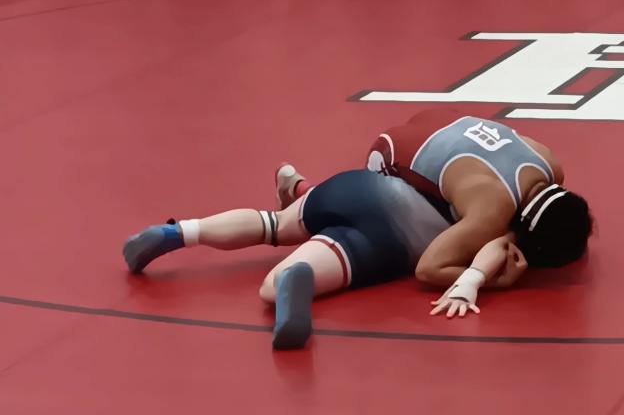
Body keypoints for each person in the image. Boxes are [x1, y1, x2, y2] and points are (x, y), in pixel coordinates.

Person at [122, 108, 595, 350]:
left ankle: (180, 232)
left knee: (278, 224)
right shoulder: (491, 215)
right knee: (419, 233)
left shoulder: (549, 164)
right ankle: (291, 280)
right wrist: (487, 278)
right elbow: (431, 269)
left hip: (402, 144)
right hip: (386, 187)